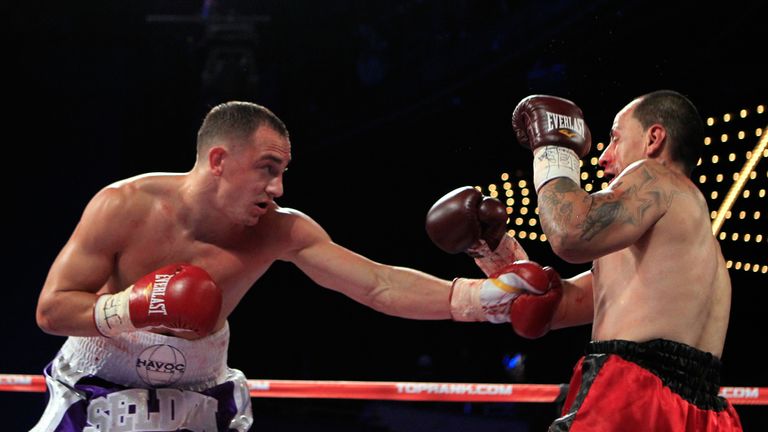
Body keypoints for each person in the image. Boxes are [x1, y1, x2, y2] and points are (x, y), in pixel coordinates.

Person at [32, 101, 561, 432]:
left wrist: (474, 298)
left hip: (198, 401)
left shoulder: (280, 229)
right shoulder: (123, 205)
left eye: (283, 172)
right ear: (218, 160)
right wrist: (134, 307)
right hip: (94, 392)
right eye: (266, 169)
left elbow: (376, 285)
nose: (277, 189)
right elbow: (52, 310)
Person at [505, 90, 743, 430]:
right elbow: (551, 306)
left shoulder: (658, 179)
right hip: (704, 416)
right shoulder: (691, 250)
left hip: (635, 395)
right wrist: (492, 249)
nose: (603, 156)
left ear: (654, 139)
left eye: (615, 138)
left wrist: (554, 152)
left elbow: (571, 231)